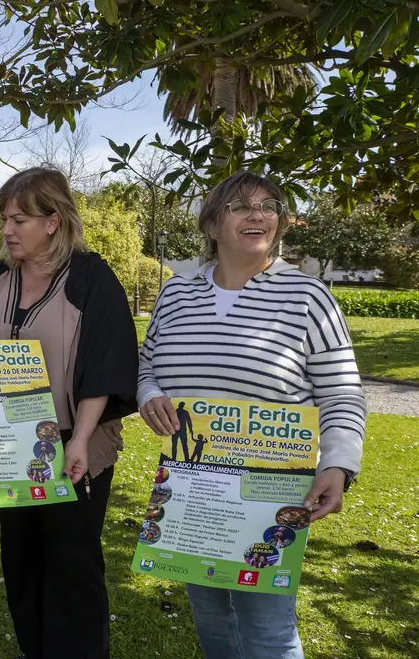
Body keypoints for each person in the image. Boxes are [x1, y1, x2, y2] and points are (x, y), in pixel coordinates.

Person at [137, 170, 367, 659]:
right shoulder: (177, 294)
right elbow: (146, 363)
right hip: (193, 485)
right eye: (240, 206)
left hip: (269, 487)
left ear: (280, 222)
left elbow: (343, 392)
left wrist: (339, 465)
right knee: (211, 617)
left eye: (269, 206)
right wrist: (149, 394)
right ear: (212, 223)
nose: (257, 214)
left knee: (268, 629)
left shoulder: (309, 297)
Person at [0, 167, 138, 659]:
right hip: (10, 446)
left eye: (19, 218)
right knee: (21, 561)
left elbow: (104, 364)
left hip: (71, 443)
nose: (6, 229)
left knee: (71, 565)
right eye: (4, 218)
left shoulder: (91, 278)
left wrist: (81, 439)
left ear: (54, 221)